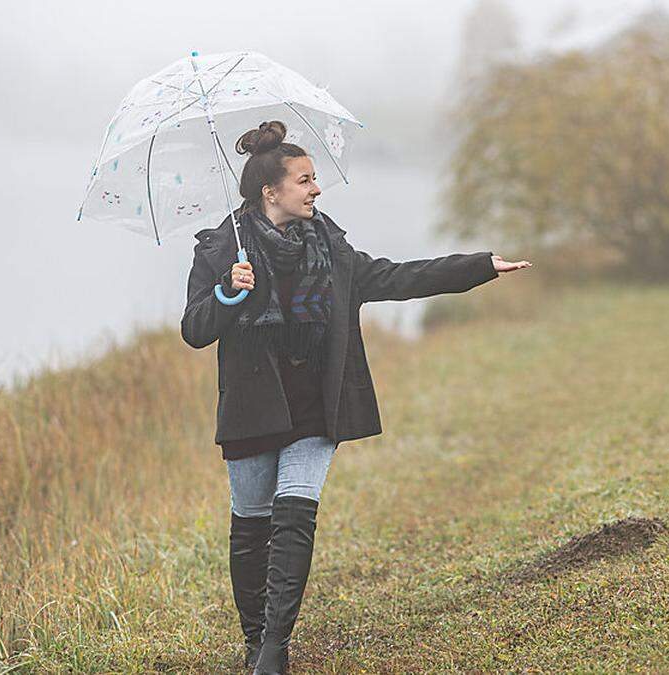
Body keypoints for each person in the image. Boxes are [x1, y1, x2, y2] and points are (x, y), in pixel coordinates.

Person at [180, 120, 532, 674]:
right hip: (253, 406)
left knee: (295, 517)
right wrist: (229, 291)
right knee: (252, 524)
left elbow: (395, 278)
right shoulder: (225, 248)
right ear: (271, 192)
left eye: (315, 178)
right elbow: (195, 329)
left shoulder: (331, 248)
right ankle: (254, 640)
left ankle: (273, 651)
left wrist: (478, 267)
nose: (316, 189)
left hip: (318, 402)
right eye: (305, 180)